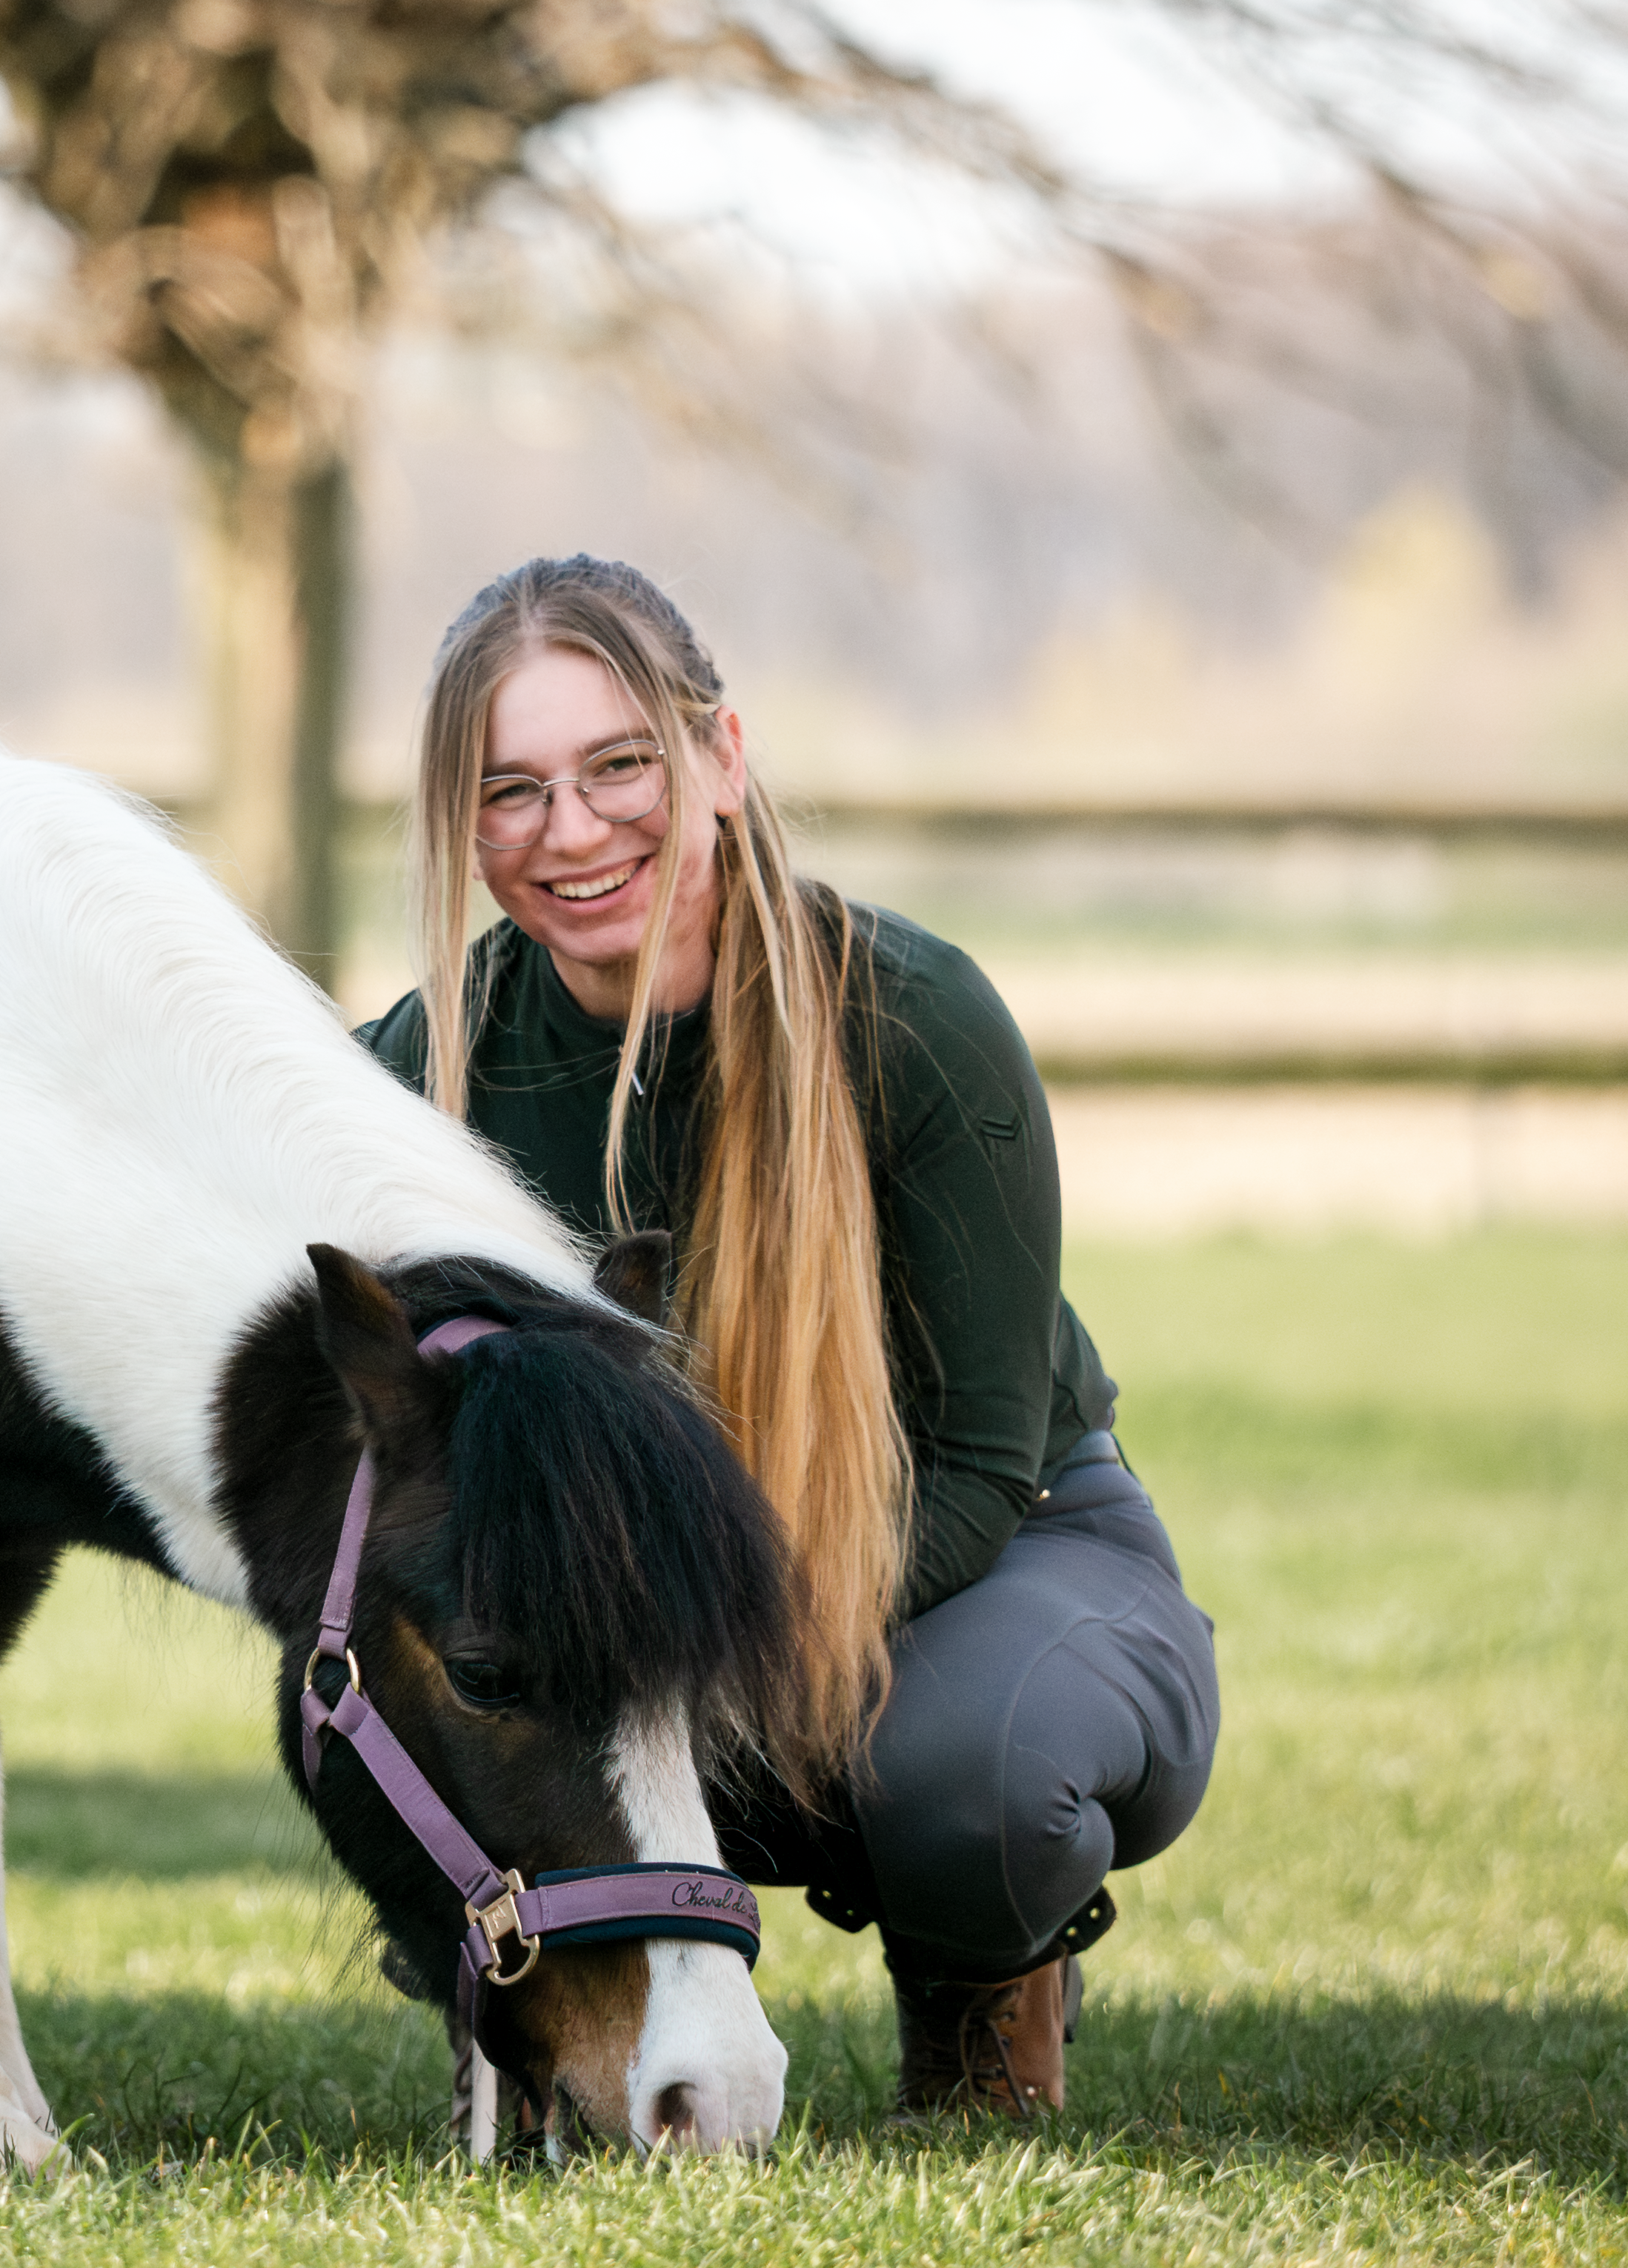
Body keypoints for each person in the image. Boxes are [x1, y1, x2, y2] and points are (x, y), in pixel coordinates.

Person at [356, 556, 1218, 2121]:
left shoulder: (914, 1019)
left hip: (980, 1551)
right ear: (461, 828)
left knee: (972, 1779)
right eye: (511, 791)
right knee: (452, 1716)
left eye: (620, 765)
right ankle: (556, 2025)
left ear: (721, 759)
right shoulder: (417, 1073)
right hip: (639, 1612)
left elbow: (977, 1468)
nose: (573, 830)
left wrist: (706, 1666)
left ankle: (986, 1977)